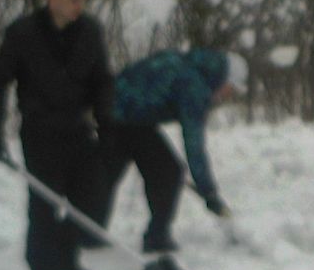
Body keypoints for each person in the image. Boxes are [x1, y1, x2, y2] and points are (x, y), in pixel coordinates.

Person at [0, 0, 114, 270]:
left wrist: (107, 121)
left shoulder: (90, 31)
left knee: (93, 199)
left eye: (83, 0)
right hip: (40, 131)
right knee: (45, 203)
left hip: (79, 128)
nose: (79, 6)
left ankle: (66, 258)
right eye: (72, 0)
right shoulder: (23, 33)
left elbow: (102, 80)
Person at [96, 48, 248, 253]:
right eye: (231, 88)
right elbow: (194, 145)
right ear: (223, 77)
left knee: (105, 174)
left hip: (112, 109)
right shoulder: (195, 86)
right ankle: (156, 238)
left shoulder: (187, 64)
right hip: (125, 118)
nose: (228, 95)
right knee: (169, 171)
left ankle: (85, 232)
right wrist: (209, 192)